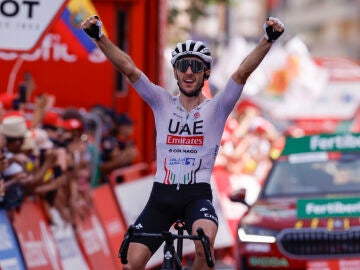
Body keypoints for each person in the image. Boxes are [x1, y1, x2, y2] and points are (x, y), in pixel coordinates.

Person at [81, 16, 284, 270]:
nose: (189, 72)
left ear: (206, 73)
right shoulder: (161, 102)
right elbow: (129, 70)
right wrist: (99, 37)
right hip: (161, 197)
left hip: (196, 196)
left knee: (204, 241)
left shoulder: (218, 108)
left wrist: (268, 39)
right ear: (175, 72)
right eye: (183, 65)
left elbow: (242, 73)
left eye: (196, 67)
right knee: (131, 263)